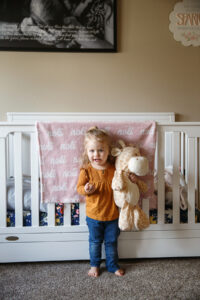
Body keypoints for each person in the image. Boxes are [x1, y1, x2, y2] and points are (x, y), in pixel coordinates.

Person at [77, 126, 125, 277]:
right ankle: (94, 265)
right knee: (95, 242)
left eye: (100, 150)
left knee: (111, 242)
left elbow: (122, 182)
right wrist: (86, 189)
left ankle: (112, 265)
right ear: (86, 152)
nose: (96, 154)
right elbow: (78, 188)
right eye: (92, 151)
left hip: (112, 215)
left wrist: (130, 179)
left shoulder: (113, 169)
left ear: (108, 151)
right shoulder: (86, 170)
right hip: (94, 216)